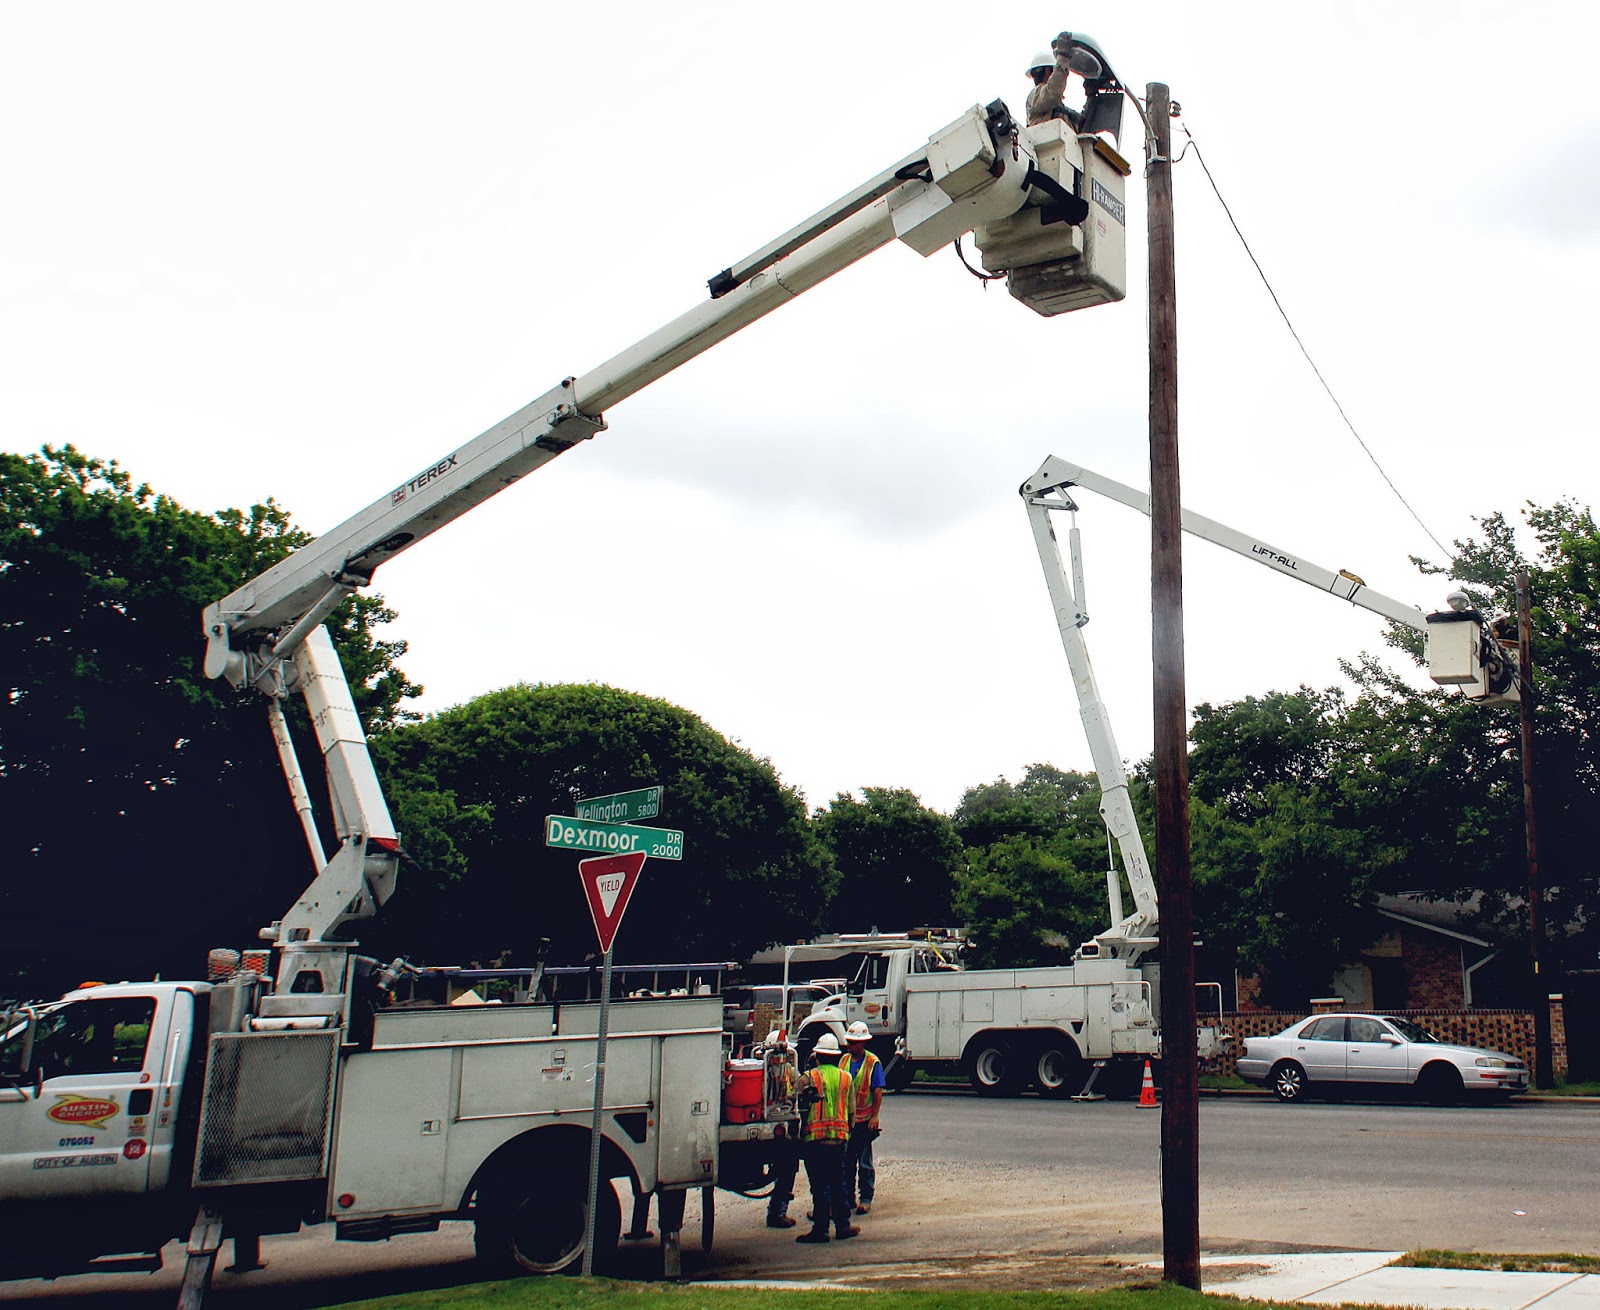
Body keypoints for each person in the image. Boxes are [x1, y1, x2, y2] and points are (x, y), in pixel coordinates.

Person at [795, 1031, 858, 1244]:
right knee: (839, 1183)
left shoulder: (808, 1078)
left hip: (815, 1140)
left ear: (817, 1056)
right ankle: (843, 1226)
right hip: (839, 1138)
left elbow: (798, 1109)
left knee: (820, 1185)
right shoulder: (846, 1078)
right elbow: (852, 1112)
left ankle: (821, 1229)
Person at [840, 1021, 885, 1215]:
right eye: (848, 1042)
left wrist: (875, 1116)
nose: (849, 1046)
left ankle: (866, 1197)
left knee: (865, 1162)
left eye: (853, 1043)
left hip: (865, 1120)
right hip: (847, 1121)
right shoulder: (843, 1061)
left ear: (863, 1043)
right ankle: (849, 1199)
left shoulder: (872, 1062)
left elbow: (877, 1090)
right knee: (847, 1162)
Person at [761, 1030, 802, 1229]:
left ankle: (778, 1211)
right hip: (769, 1121)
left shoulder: (789, 1072)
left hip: (784, 1121)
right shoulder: (762, 1071)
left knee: (788, 1169)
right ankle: (777, 1211)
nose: (779, 1059)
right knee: (786, 1168)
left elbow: (798, 1089)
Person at [1026, 33, 1083, 129]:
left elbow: (1082, 125)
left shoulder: (1060, 110)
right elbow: (1053, 91)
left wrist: (1092, 95)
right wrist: (1063, 59)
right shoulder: (1035, 96)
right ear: (1049, 72)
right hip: (1045, 143)